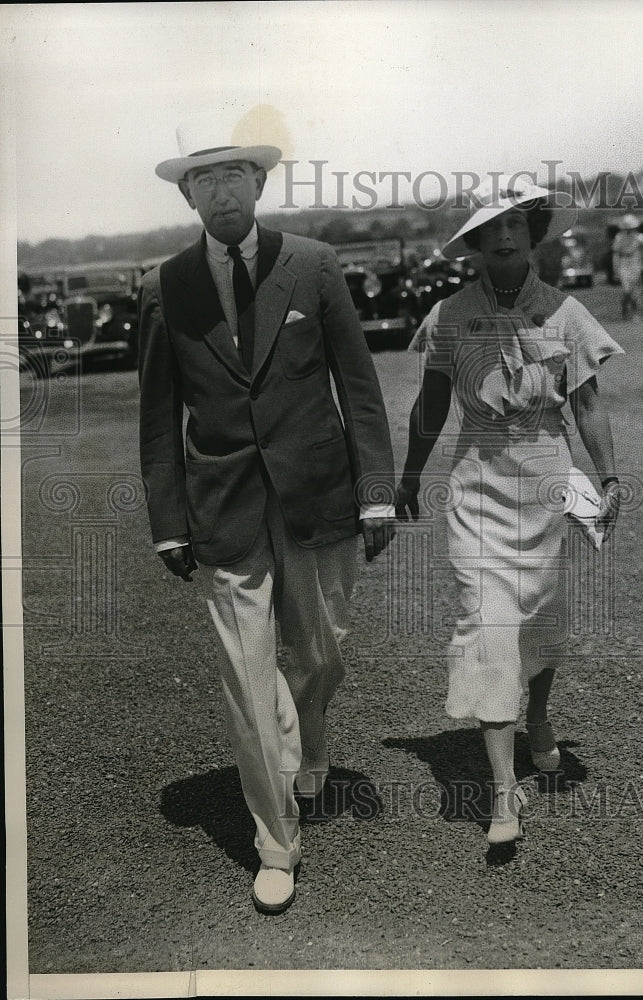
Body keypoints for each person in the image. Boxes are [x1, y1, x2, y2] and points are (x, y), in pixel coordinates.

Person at [138, 108, 395, 913]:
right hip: (223, 511)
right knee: (249, 682)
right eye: (204, 179)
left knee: (320, 656)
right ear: (188, 197)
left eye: (235, 175)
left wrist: (377, 490)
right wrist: (169, 520)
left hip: (318, 494)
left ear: (260, 182)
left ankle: (312, 739)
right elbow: (156, 415)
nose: (221, 191)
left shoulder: (313, 266)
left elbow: (357, 384)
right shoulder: (164, 287)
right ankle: (276, 843)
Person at [396, 179, 623, 844]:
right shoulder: (448, 317)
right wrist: (408, 476)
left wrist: (607, 476)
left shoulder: (567, 313)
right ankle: (502, 796)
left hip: (546, 481)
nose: (502, 238)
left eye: (515, 228)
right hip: (477, 484)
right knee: (488, 623)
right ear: (472, 245)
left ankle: (541, 717)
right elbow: (431, 405)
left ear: (532, 234)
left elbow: (587, 403)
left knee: (540, 615)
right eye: (489, 231)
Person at [612, 213, 643, 319]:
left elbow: (640, 252)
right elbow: (616, 254)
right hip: (624, 263)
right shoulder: (619, 237)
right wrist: (615, 269)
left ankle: (635, 313)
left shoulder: (637, 237)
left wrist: (641, 265)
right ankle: (624, 307)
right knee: (626, 290)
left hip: (634, 262)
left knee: (635, 290)